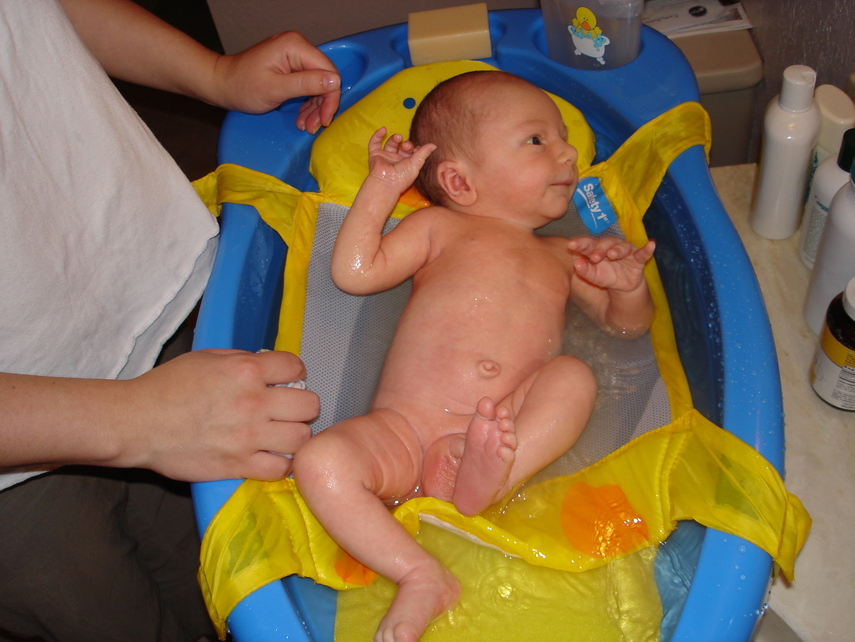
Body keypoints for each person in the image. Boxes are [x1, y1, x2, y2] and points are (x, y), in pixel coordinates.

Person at [0, 0, 337, 639]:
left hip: (158, 299)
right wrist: (138, 421)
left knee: (220, 568)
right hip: (19, 473)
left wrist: (214, 73)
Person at [292, 70, 656, 642]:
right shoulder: (437, 227)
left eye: (564, 139)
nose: (567, 153)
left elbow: (626, 327)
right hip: (404, 429)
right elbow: (355, 272)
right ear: (459, 181)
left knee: (573, 378)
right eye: (537, 140)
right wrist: (382, 187)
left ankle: (495, 473)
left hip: (502, 424)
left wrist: (628, 288)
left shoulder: (566, 254)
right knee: (320, 462)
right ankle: (420, 573)